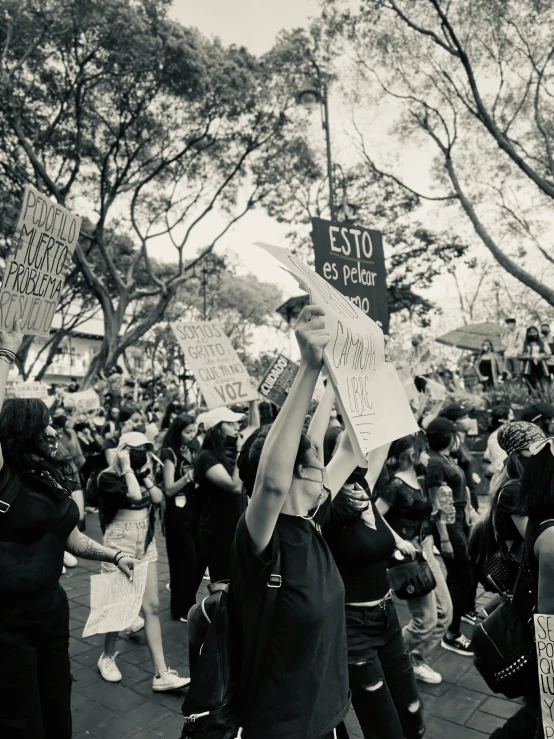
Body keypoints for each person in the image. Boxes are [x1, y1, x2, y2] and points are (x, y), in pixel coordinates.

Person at [0, 321, 138, 739]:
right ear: (25, 433)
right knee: (23, 722)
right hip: (7, 625)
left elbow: (70, 536)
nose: (53, 430)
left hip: (51, 613)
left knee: (58, 709)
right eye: (44, 424)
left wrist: (113, 555)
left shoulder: (47, 479)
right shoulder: (4, 478)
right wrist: (5, 355)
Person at [231, 304, 364, 739]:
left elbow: (358, 450)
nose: (323, 469)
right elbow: (271, 483)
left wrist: (345, 374)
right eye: (311, 464)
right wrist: (308, 369)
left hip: (328, 716)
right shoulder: (260, 540)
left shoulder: (312, 518)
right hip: (282, 726)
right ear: (291, 477)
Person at [96, 432, 189, 691]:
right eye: (136, 450)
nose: (141, 454)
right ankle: (106, 656)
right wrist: (126, 467)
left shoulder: (140, 474)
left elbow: (158, 498)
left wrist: (145, 473)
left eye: (145, 450)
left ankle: (161, 673)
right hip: (118, 547)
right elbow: (135, 497)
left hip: (145, 546)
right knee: (118, 607)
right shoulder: (108, 477)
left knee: (152, 607)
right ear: (123, 450)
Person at [377, 435, 453, 687]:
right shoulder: (396, 485)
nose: (428, 456)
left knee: (445, 613)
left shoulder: (417, 480)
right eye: (424, 452)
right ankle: (391, 661)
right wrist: (398, 540)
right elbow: (374, 515)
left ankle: (413, 659)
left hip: (426, 549)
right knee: (425, 621)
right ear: (412, 454)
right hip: (410, 558)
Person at [425, 418, 474, 655]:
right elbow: (436, 505)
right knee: (461, 576)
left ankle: (455, 621)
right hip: (449, 525)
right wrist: (444, 538)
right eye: (455, 434)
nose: (459, 439)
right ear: (447, 437)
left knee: (461, 577)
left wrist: (470, 512)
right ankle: (451, 634)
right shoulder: (435, 463)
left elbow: (459, 489)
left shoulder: (445, 458)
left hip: (459, 520)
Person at [195, 402, 259, 583]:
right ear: (216, 429)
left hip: (235, 526)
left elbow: (254, 427)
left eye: (236, 424)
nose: (236, 427)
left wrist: (254, 402)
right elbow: (234, 486)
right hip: (218, 530)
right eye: (230, 424)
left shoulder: (226, 453)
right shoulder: (206, 456)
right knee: (224, 580)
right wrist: (240, 450)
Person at [161, 414, 205, 621]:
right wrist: (188, 476)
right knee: (184, 560)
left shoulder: (195, 447)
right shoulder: (169, 452)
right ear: (177, 431)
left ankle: (188, 601)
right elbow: (168, 489)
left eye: (194, 431)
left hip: (194, 508)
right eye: (188, 432)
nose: (192, 435)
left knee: (198, 558)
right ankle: (181, 608)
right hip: (177, 511)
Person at [483, 402, 513, 492]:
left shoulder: (496, 434)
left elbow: (487, 457)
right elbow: (500, 463)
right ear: (504, 419)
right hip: (503, 481)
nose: (513, 419)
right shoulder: (501, 435)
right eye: (511, 415)